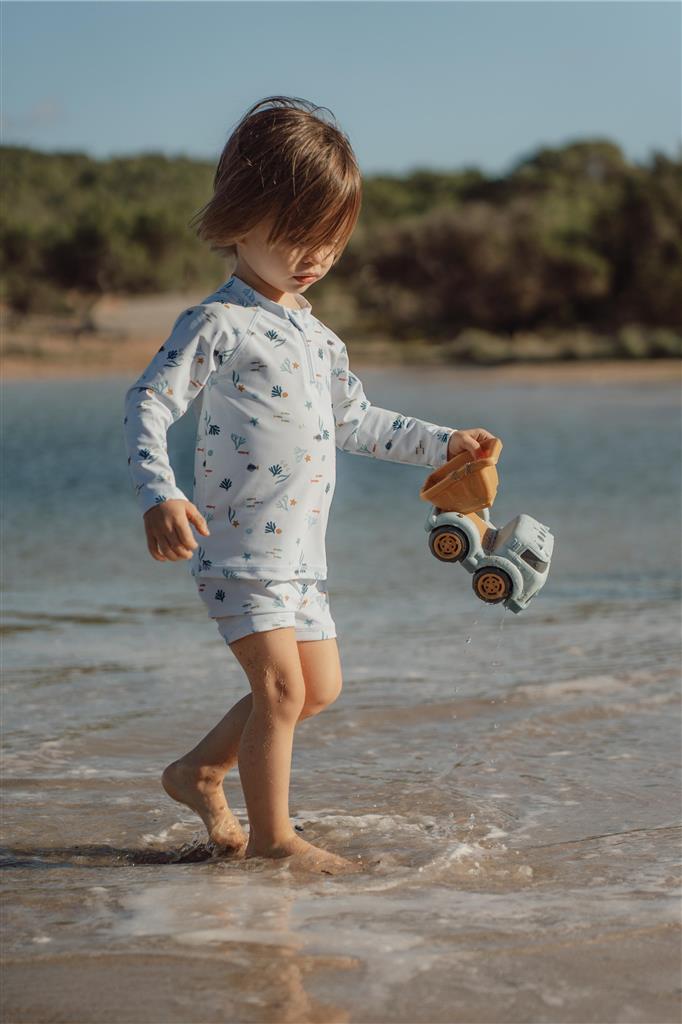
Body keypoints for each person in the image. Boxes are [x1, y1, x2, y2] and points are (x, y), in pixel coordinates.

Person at [122, 95, 494, 874]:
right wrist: (160, 491)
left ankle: (198, 773)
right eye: (296, 236)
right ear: (239, 218)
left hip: (301, 559)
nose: (313, 256)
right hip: (238, 549)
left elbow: (359, 422)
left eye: (330, 240)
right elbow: (149, 400)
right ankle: (273, 841)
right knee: (282, 692)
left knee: (317, 688)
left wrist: (444, 442)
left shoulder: (319, 338)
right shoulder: (216, 323)